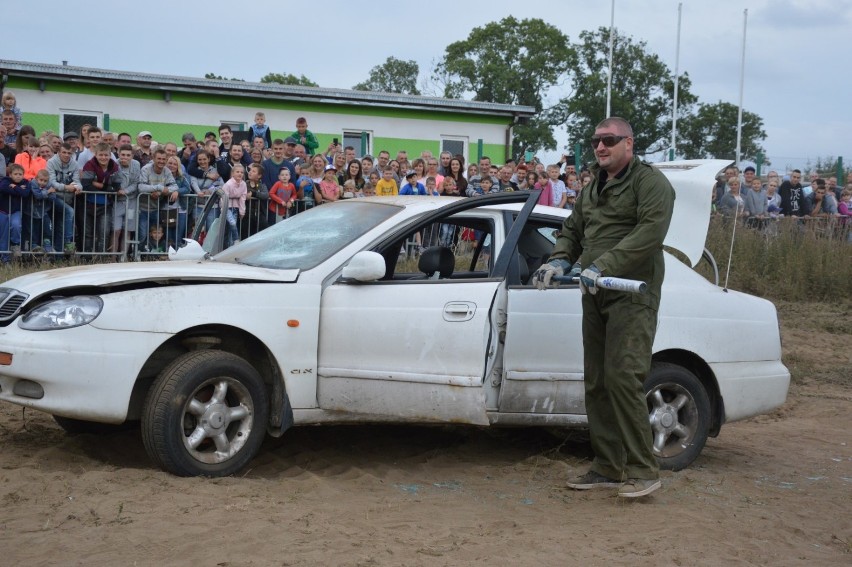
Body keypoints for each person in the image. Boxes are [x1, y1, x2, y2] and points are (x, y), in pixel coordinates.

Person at [532, 117, 674, 499]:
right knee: (596, 380)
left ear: (629, 143)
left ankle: (644, 470)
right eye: (596, 141)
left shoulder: (650, 183)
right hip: (593, 291)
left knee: (623, 377)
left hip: (630, 293)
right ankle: (608, 466)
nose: (600, 147)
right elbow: (573, 230)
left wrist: (603, 265)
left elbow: (650, 233)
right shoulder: (595, 185)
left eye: (609, 140)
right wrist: (559, 260)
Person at [80, 142, 120, 252]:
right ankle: (86, 258)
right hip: (88, 204)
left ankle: (100, 259)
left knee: (104, 233)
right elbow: (86, 185)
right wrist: (107, 187)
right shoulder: (89, 165)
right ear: (96, 155)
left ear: (110, 154)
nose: (103, 157)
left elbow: (116, 187)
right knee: (88, 234)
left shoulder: (115, 166)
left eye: (106, 155)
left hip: (106, 206)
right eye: (101, 155)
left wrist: (100, 185)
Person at [46, 141, 80, 254]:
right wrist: (66, 187)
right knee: (70, 211)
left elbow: (77, 181)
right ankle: (68, 242)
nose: (66, 155)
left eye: (69, 153)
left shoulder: (74, 164)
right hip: (54, 197)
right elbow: (51, 182)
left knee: (60, 226)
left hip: (67, 198)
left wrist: (78, 187)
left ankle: (59, 256)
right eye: (64, 152)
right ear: (59, 152)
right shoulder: (51, 162)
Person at [112, 144, 140, 256]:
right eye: (123, 154)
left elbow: (136, 182)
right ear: (118, 154)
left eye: (128, 155)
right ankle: (112, 258)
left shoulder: (136, 164)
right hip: (117, 201)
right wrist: (118, 190)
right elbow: (111, 180)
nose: (125, 157)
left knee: (127, 230)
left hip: (131, 201)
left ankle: (123, 257)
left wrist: (126, 191)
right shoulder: (114, 163)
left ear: (132, 155)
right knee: (116, 230)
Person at [0, 163, 30, 261]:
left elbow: (25, 193)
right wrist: (18, 190)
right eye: (15, 174)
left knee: (16, 226)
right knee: (3, 235)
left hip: (16, 211)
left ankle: (15, 244)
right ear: (10, 174)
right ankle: (5, 259)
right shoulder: (5, 180)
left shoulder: (25, 182)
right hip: (3, 211)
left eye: (20, 174)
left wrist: (15, 187)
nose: (18, 176)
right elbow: (3, 188)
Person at [189, 149, 222, 233]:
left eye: (204, 159)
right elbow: (193, 182)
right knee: (197, 231)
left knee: (211, 231)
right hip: (198, 206)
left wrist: (210, 191)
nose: (202, 161)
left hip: (212, 206)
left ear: (208, 159)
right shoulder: (195, 171)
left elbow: (221, 184)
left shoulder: (215, 170)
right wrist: (198, 192)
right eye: (200, 159)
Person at [222, 163, 247, 247]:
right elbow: (224, 198)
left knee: (231, 228)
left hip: (235, 207)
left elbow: (243, 198)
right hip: (227, 207)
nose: (240, 174)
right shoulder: (228, 184)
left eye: (241, 172)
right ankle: (236, 240)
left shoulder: (243, 184)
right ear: (233, 173)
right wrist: (223, 209)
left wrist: (242, 211)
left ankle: (231, 246)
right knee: (232, 223)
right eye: (237, 172)